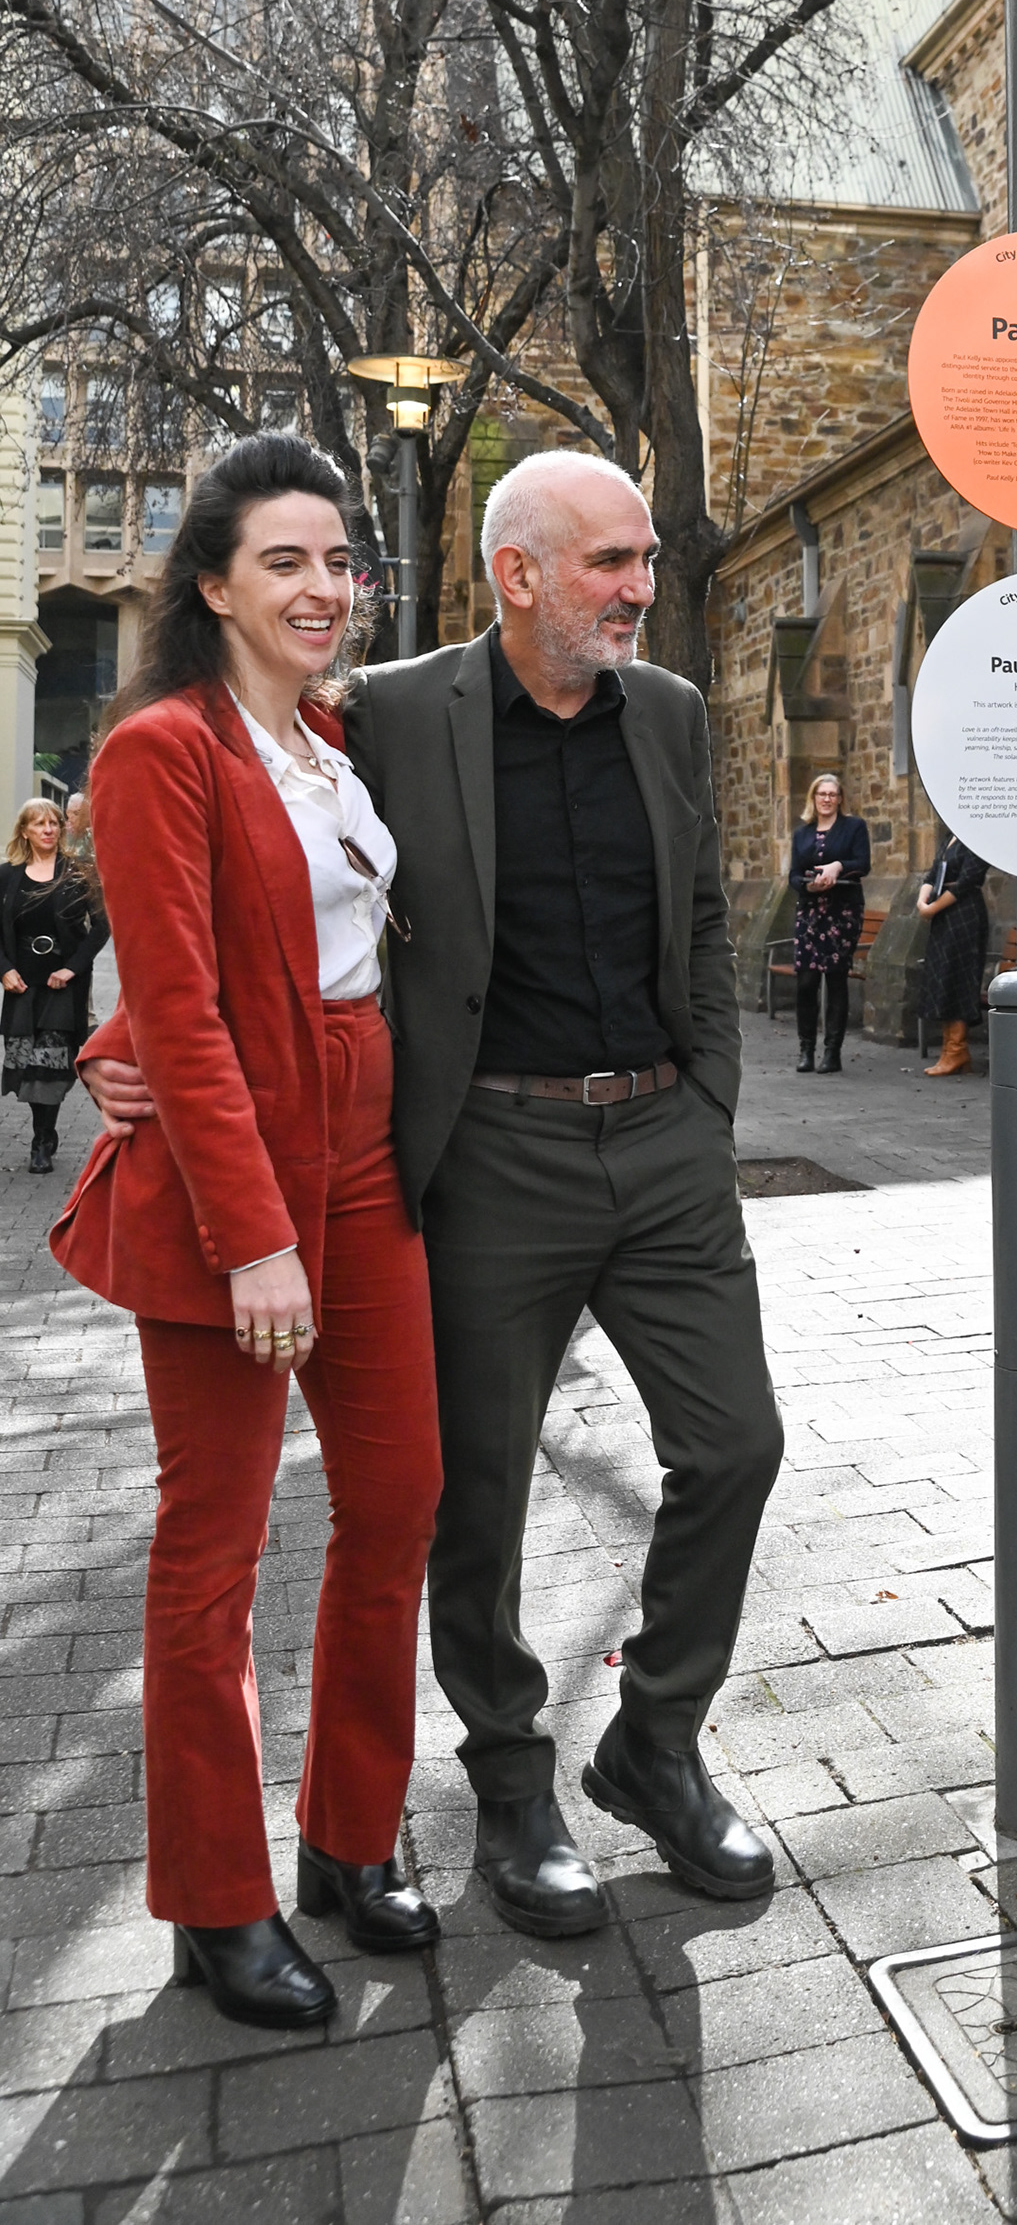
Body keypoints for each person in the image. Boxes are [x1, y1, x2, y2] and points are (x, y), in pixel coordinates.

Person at [88, 449, 783, 1935]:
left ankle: (644, 1747)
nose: (639, 588)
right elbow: (195, 892)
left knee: (719, 1446)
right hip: (476, 1154)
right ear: (516, 572)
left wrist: (711, 1106)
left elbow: (708, 915)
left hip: (645, 1141)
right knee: (452, 1496)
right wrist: (118, 1038)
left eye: (646, 558)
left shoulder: (649, 711)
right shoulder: (391, 712)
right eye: (609, 561)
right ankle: (495, 1790)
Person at [51, 434, 442, 2032]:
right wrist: (254, 1237)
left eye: (339, 561)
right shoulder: (159, 749)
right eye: (287, 560)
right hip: (243, 1176)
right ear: (212, 582)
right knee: (211, 1548)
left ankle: (348, 1835)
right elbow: (186, 1011)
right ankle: (217, 1897)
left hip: (368, 1151)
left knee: (400, 1496)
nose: (325, 587)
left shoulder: (343, 746)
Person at [2, 798, 107, 1170]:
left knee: (50, 1063)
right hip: (22, 985)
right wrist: (4, 969)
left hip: (61, 985)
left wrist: (73, 969)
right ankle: (42, 1128)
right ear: (25, 831)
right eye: (38, 824)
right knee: (28, 1063)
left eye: (53, 823)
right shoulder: (8, 875)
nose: (47, 829)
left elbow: (102, 927)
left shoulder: (78, 873)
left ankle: (42, 1140)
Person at [787, 773, 869, 1074]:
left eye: (832, 794)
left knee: (835, 979)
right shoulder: (802, 834)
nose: (826, 799)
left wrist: (838, 866)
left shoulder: (854, 827)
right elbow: (794, 875)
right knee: (806, 981)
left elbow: (863, 863)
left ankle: (832, 1052)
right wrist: (808, 886)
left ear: (840, 799)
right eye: (821, 794)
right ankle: (805, 1050)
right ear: (813, 798)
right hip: (810, 911)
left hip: (842, 911)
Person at [918, 831, 989, 1077]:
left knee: (960, 977)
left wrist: (933, 908)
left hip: (964, 914)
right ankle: (950, 1051)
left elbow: (968, 880)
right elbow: (933, 872)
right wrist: (922, 901)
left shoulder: (980, 837)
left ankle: (957, 1050)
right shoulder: (949, 837)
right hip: (943, 916)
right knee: (944, 977)